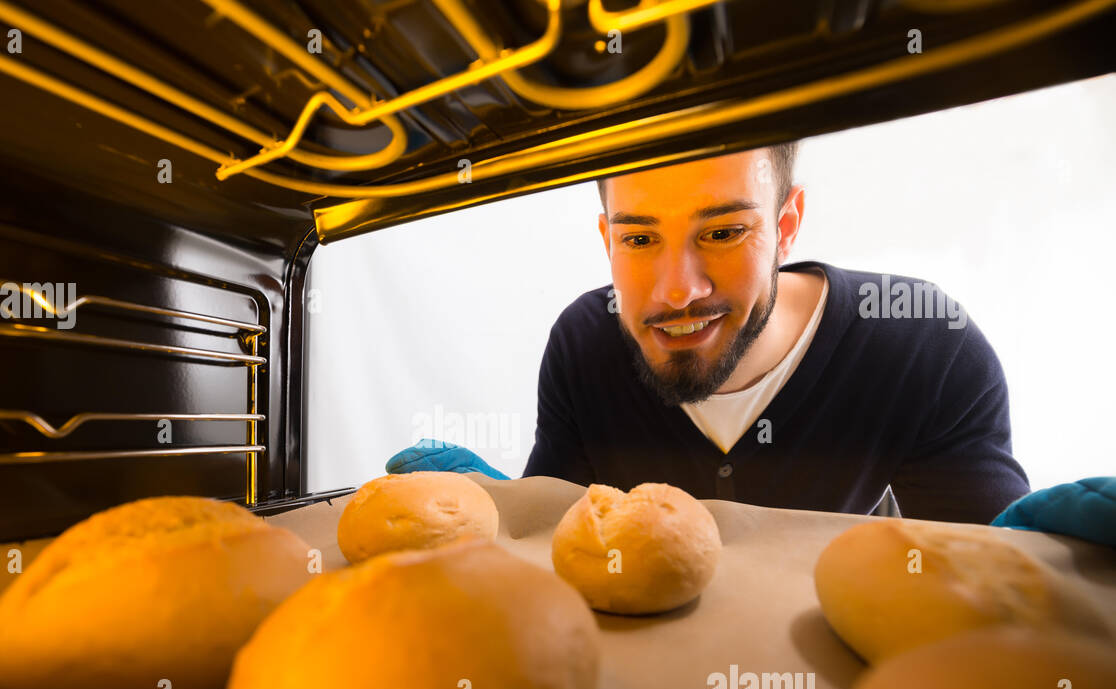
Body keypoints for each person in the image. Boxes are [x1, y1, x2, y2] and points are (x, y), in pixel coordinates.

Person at [388, 143, 1111, 541]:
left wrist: (1042, 565)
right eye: (640, 238)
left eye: (724, 232)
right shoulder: (584, 345)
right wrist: (509, 518)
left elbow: (989, 596)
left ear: (787, 225)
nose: (677, 289)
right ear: (606, 238)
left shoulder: (926, 345)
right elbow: (567, 547)